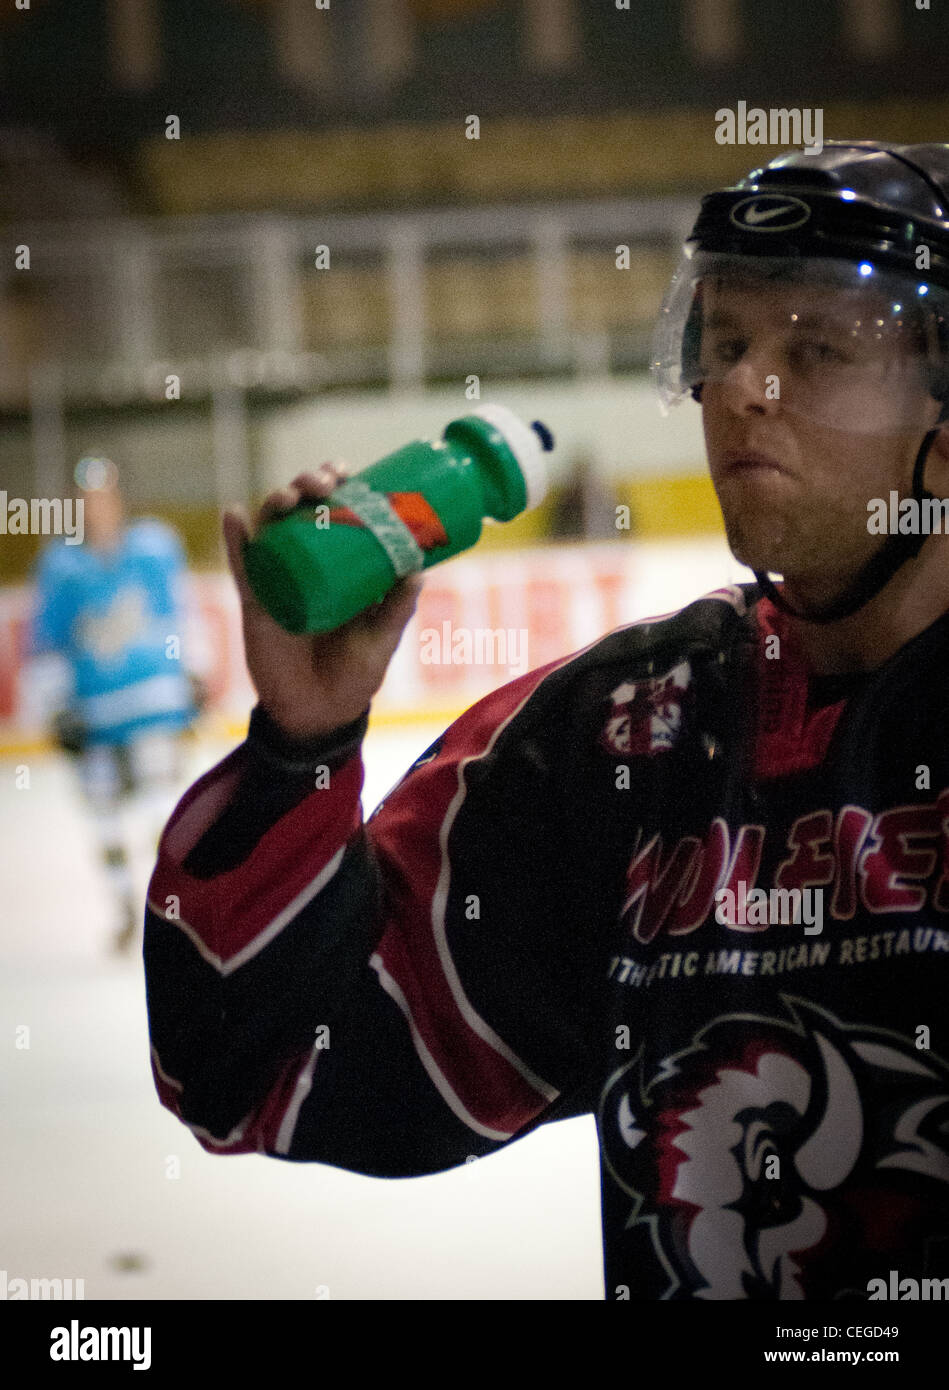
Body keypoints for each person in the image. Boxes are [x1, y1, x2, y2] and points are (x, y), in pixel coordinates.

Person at [143, 142, 949, 1300]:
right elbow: (264, 1067)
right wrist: (299, 751)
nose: (740, 388)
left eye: (814, 349)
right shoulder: (623, 737)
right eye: (724, 344)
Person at [29, 456, 204, 954]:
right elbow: (48, 643)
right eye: (86, 499)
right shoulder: (61, 566)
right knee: (103, 816)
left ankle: (169, 908)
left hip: (155, 705)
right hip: (97, 714)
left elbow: (177, 613)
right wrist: (57, 706)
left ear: (119, 499)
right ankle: (126, 905)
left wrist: (192, 671)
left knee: (160, 808)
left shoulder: (154, 547)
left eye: (103, 497)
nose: (96, 508)